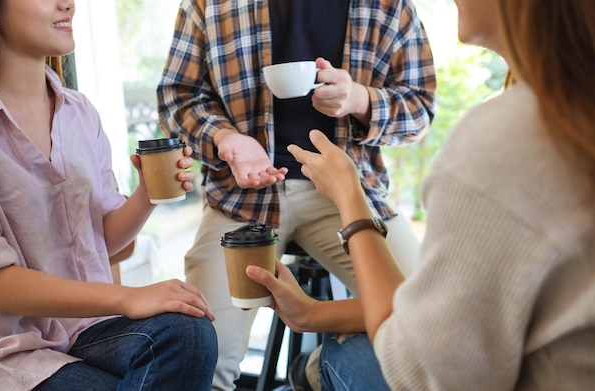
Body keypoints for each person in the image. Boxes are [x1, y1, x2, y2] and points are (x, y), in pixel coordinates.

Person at [247, 0, 595, 389]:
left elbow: (418, 367)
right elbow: (450, 318)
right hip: (243, 203)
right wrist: (311, 314)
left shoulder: (505, 141)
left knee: (344, 355)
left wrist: (350, 197)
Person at [157, 0, 436, 388]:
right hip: (241, 198)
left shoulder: (389, 6)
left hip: (347, 195)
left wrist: (358, 100)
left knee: (431, 317)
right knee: (203, 357)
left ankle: (315, 370)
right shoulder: (210, 4)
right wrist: (225, 137)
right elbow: (177, 96)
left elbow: (420, 108)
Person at [0, 1, 217, 389]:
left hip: (90, 331)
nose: (67, 3)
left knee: (189, 332)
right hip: (8, 351)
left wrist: (146, 195)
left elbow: (106, 243)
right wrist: (126, 298)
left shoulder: (80, 112)